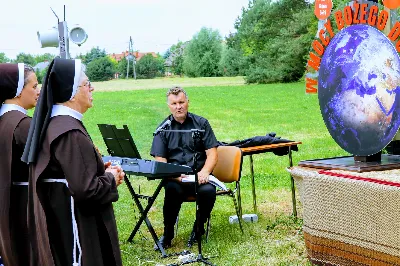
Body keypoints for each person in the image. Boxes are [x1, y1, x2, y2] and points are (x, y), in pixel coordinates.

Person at [22, 58, 125, 266]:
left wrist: (96, 169)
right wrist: (111, 178)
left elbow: (66, 173)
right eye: (87, 84)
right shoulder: (69, 132)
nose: (92, 88)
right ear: (72, 92)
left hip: (63, 223)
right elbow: (85, 189)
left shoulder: (57, 124)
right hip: (78, 229)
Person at [150, 86, 219, 249]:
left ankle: (198, 228)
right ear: (169, 106)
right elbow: (160, 160)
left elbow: (213, 154)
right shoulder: (163, 128)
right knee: (172, 189)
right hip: (175, 178)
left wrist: (205, 172)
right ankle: (167, 235)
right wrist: (174, 175)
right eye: (174, 103)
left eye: (181, 102)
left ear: (188, 102)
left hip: (199, 177)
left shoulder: (201, 124)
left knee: (209, 191)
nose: (178, 106)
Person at [0, 63, 39, 266]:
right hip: (24, 206)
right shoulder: (22, 124)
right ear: (17, 91)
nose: (38, 90)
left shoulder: (5, 118)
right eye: (33, 86)